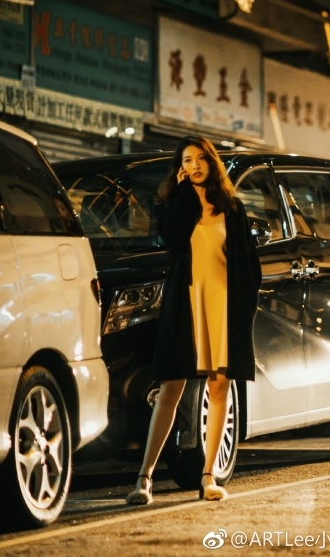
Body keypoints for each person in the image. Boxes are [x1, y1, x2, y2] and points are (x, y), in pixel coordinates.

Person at [125, 135, 262, 505]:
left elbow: (250, 265)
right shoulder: (175, 202)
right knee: (170, 387)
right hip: (186, 303)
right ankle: (144, 478)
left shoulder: (232, 208)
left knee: (219, 388)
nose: (195, 165)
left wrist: (244, 307)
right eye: (187, 160)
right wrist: (184, 197)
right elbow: (170, 238)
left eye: (201, 158)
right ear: (180, 168)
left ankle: (208, 475)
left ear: (211, 162)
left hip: (224, 305)